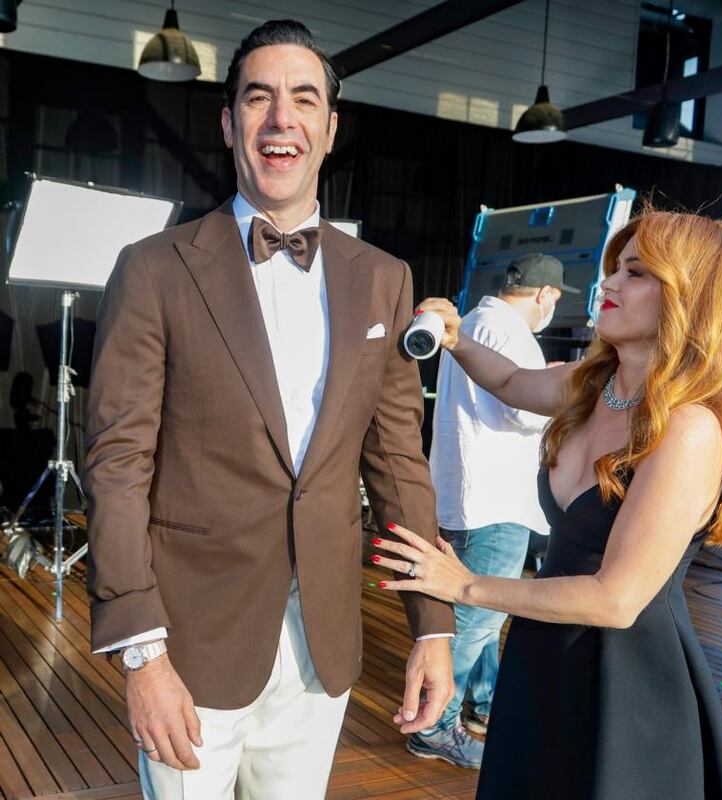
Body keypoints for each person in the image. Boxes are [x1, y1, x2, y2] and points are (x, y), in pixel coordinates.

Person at [84, 19, 455, 800]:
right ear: (229, 124)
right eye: (259, 98)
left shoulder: (384, 278)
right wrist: (142, 655)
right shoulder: (152, 269)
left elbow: (397, 462)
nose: (282, 118)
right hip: (189, 644)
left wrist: (433, 625)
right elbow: (118, 464)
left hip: (323, 646)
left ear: (330, 129)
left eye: (304, 99)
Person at [373, 210, 722, 799]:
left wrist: (463, 585)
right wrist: (456, 339)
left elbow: (615, 599)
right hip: (544, 656)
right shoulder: (596, 387)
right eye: (616, 268)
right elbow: (509, 382)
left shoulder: (689, 429)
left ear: (696, 300)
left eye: (635, 273)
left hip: (625, 685)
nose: (607, 282)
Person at [407, 254, 576, 769]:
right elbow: (523, 409)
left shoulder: (474, 322)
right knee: (476, 620)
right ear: (546, 295)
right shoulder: (508, 330)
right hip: (497, 499)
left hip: (465, 494)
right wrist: (555, 385)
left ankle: (484, 704)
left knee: (480, 618)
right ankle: (433, 726)